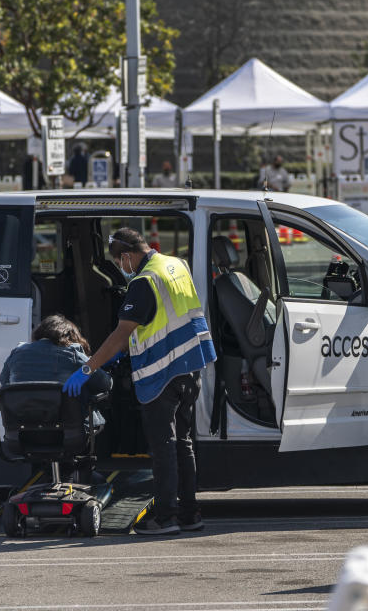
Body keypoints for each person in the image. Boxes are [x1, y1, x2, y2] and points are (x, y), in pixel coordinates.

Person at [63, 227, 216, 535]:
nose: (121, 269)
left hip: (163, 372)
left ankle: (164, 517)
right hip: (190, 366)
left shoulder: (144, 281)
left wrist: (88, 368)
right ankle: (189, 513)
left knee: (164, 448)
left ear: (128, 256)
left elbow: (121, 334)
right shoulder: (175, 265)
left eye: (121, 263)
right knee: (183, 444)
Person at [0, 314, 110, 434]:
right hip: (68, 436)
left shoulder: (17, 353)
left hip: (21, 434)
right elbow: (105, 384)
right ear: (72, 336)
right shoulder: (73, 353)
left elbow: (4, 382)